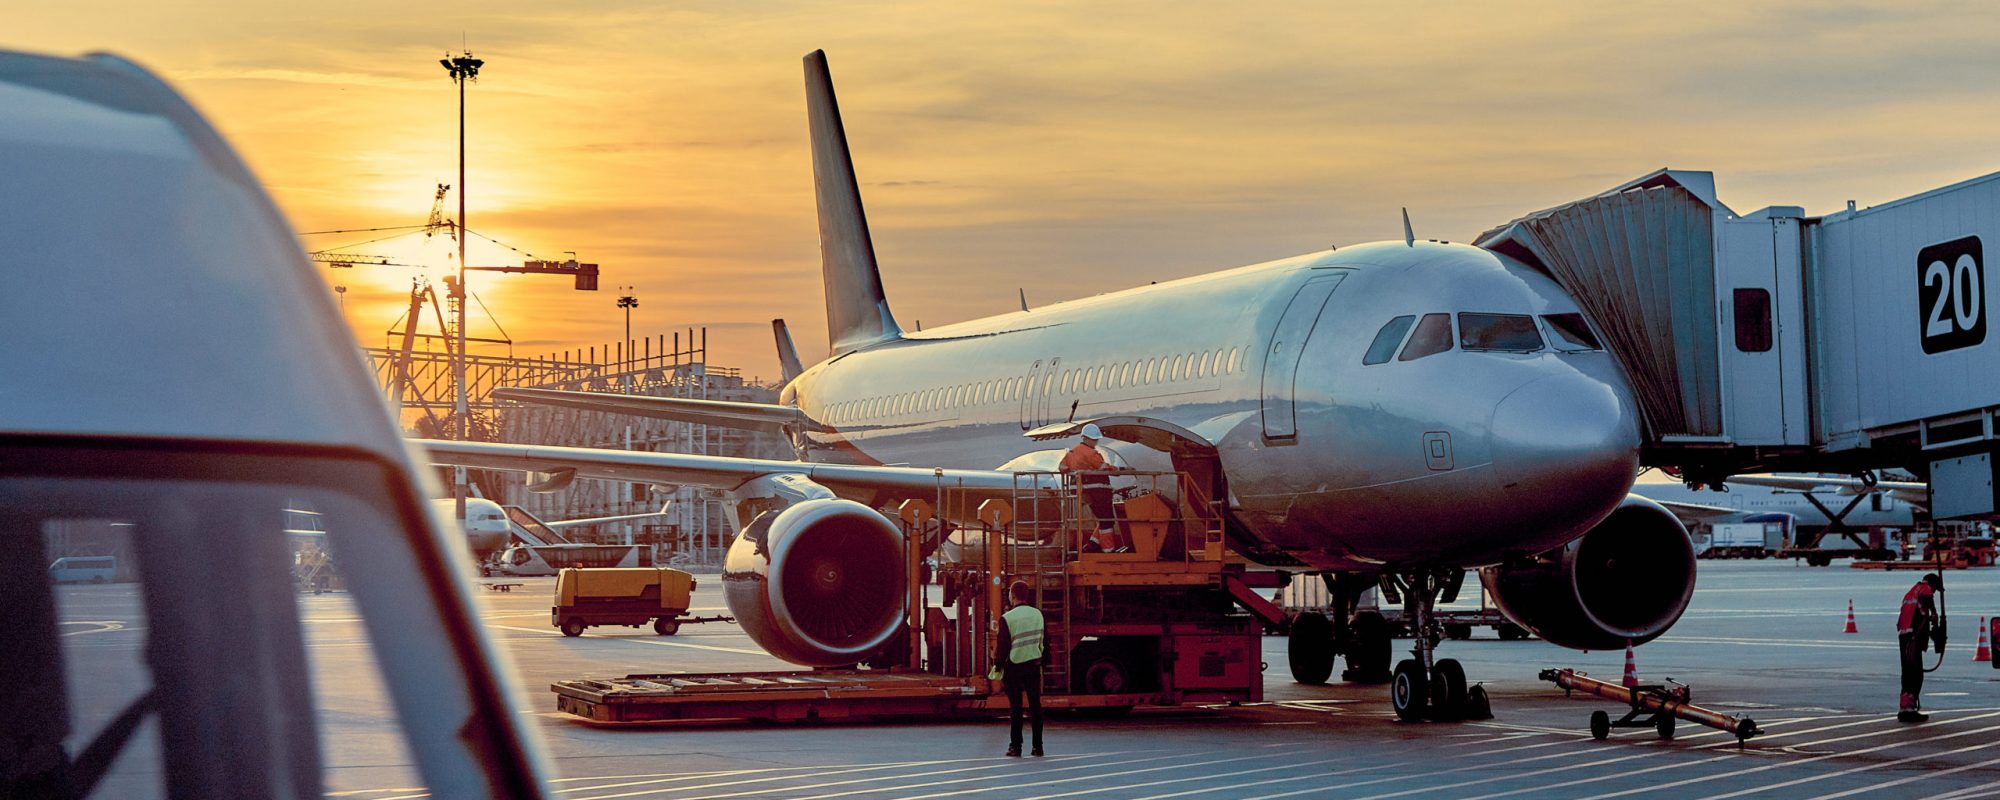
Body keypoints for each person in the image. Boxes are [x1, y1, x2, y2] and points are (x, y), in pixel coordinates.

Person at [993, 580, 1046, 756]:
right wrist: (1042, 662)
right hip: (1033, 665)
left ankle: (1016, 747)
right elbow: (1046, 641)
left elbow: (1002, 647)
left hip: (1014, 667)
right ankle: (1038, 747)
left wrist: (997, 666)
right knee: (1035, 707)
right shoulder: (1038, 614)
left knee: (1016, 708)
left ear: (1012, 596)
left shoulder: (1007, 618)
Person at [1059, 423, 1120, 552]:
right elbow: (1103, 467)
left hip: (1082, 490)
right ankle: (1108, 550)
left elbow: (1062, 467)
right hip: (1097, 491)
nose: (1095, 442)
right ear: (1085, 438)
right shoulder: (1091, 453)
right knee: (1107, 520)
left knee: (1103, 519)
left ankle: (1092, 545)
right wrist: (1119, 469)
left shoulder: (1071, 452)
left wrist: (1077, 470)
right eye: (1093, 439)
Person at [1897, 573, 1946, 723]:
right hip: (1913, 636)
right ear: (1932, 584)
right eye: (1936, 589)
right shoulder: (1924, 588)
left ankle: (1904, 708)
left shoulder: (1911, 591)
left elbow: (1918, 612)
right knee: (1915, 674)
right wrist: (1935, 613)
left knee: (1908, 672)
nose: (1935, 593)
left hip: (1904, 635)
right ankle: (1909, 709)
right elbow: (1927, 598)